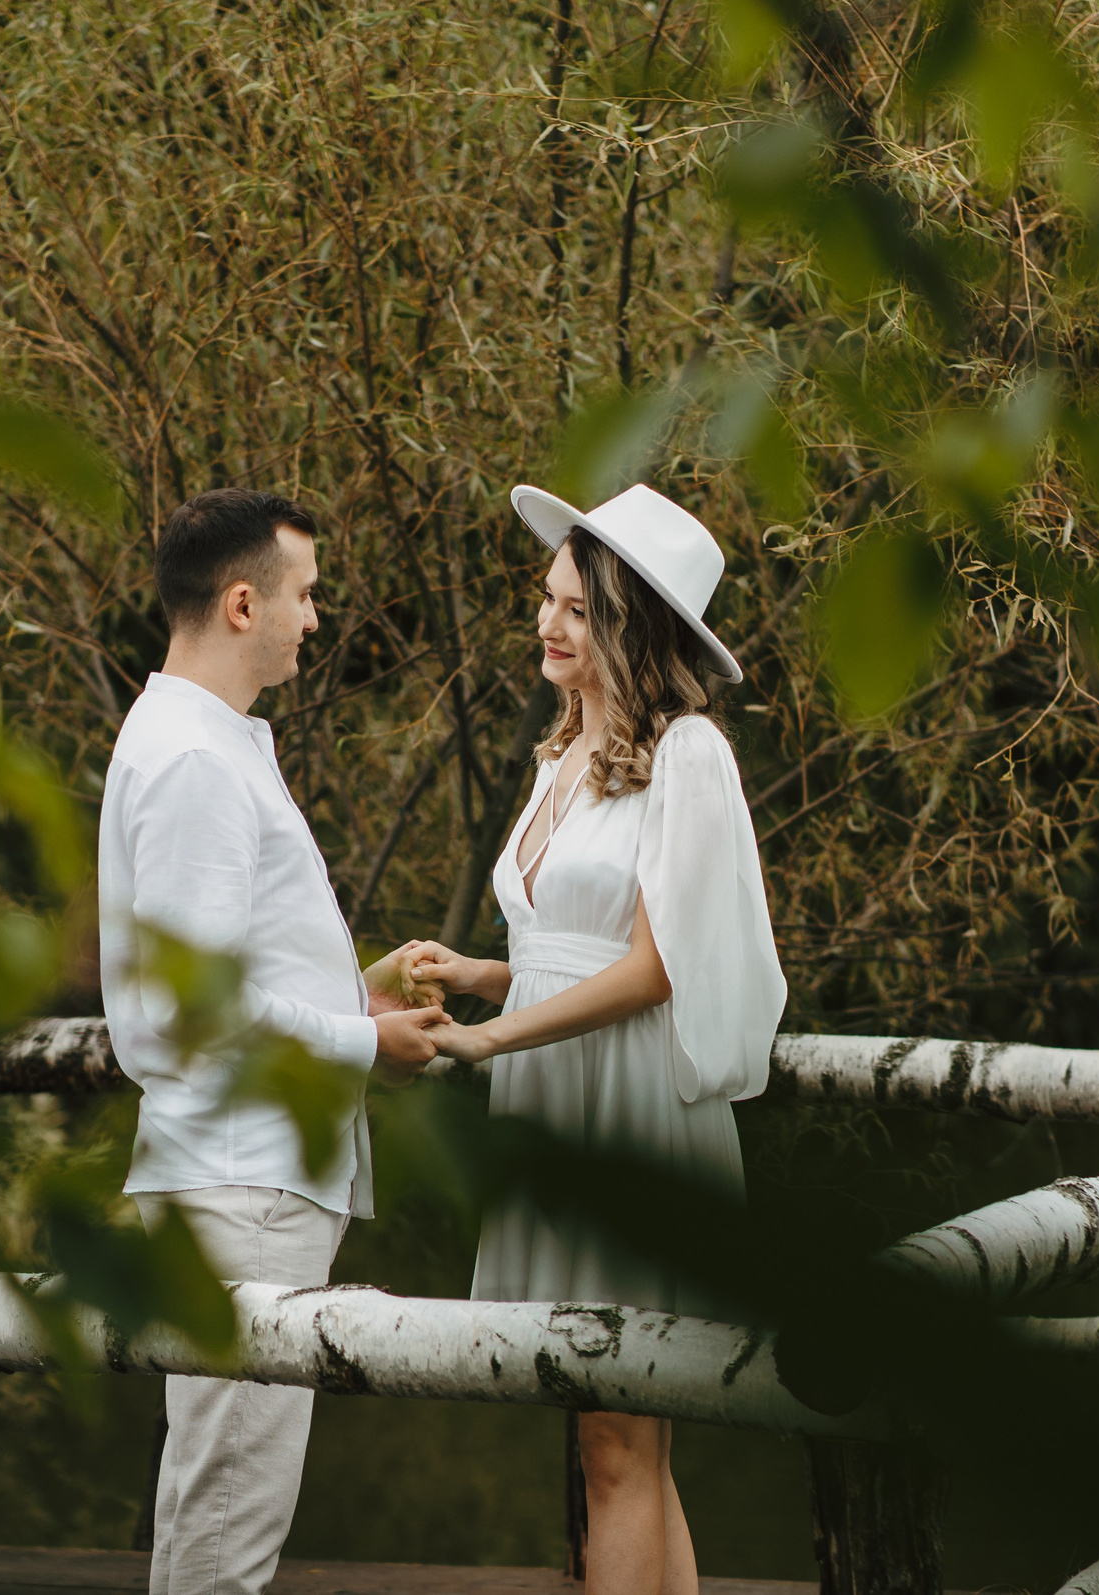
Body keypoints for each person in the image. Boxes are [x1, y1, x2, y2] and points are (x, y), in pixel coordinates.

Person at [384, 482, 786, 1595]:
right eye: (545, 600)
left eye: (573, 609)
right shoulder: (559, 754)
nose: (547, 625)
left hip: (628, 1112)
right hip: (553, 1101)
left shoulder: (690, 756)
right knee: (613, 1439)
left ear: (631, 626)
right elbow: (579, 949)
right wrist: (481, 975)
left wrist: (487, 1039)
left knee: (619, 1443)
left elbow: (659, 969)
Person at [99, 488, 446, 1595]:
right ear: (242, 602)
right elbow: (188, 1015)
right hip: (244, 1184)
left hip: (242, 1173)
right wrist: (360, 1048)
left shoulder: (209, 741)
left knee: (227, 1500)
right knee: (226, 1521)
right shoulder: (197, 761)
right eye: (304, 593)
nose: (316, 615)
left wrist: (359, 989)